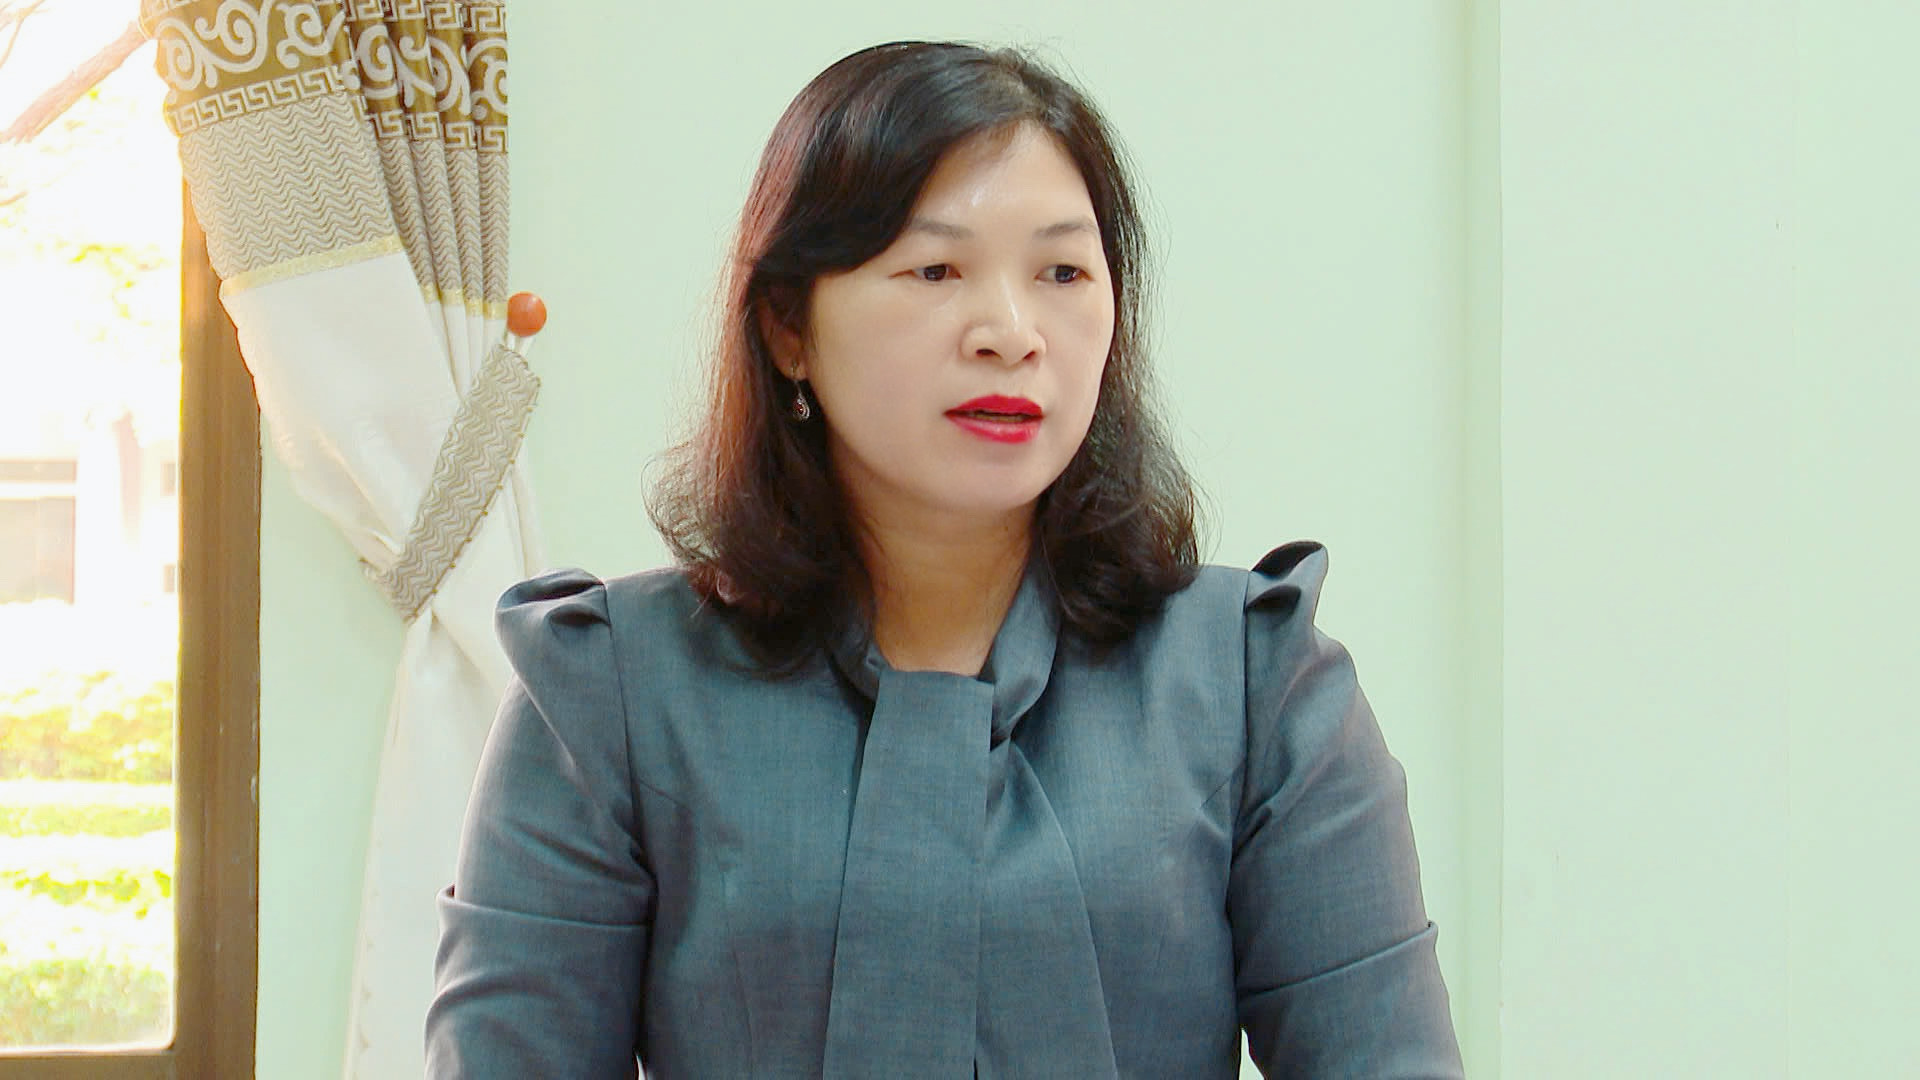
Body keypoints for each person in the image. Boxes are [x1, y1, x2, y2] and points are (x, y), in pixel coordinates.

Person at [425, 40, 1463, 1078]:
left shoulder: (1254, 680)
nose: (1011, 333)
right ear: (787, 326)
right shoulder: (610, 692)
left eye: (1063, 272)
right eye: (935, 270)